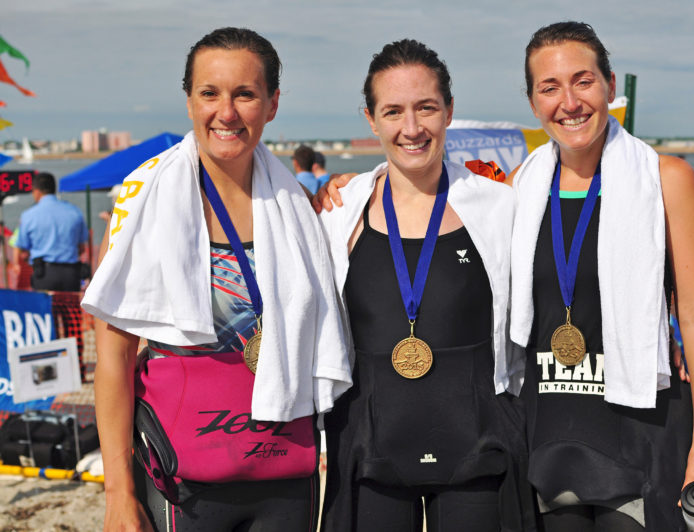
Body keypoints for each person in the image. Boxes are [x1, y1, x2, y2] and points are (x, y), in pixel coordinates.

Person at [83, 27, 350, 532]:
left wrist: (348, 194)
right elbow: (113, 358)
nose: (225, 113)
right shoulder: (141, 206)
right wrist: (117, 492)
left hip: (286, 468)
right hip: (182, 477)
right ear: (189, 101)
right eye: (210, 93)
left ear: (271, 105)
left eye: (245, 94)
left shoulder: (300, 208)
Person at [510, 21, 694, 531]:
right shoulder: (521, 187)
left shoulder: (665, 178)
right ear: (532, 102)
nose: (569, 101)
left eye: (583, 81)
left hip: (640, 434)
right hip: (549, 436)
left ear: (609, 85)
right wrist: (354, 185)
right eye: (550, 87)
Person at [318, 39, 532, 532]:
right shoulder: (338, 214)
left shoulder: (499, 207)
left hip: (479, 449)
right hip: (370, 448)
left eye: (426, 108)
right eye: (393, 111)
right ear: (371, 119)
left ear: (449, 111)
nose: (411, 128)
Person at [12, 172, 88, 292]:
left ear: (36, 191)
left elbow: (22, 249)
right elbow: (82, 248)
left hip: (43, 274)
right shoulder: (75, 212)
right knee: (69, 310)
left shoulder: (29, 215)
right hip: (71, 274)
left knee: (44, 310)